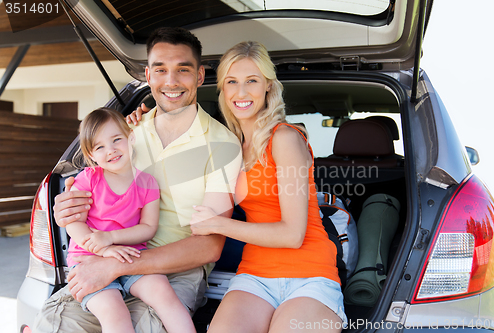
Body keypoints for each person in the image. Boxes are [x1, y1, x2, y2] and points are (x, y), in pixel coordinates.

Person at [33, 27, 242, 333]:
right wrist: (66, 210)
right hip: (103, 255)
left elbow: (209, 246)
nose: (170, 81)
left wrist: (116, 263)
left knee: (143, 326)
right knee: (52, 324)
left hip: (175, 270)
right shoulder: (125, 134)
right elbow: (87, 193)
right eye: (160, 70)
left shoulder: (223, 145)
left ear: (199, 76)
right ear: (147, 75)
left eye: (182, 70)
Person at [189, 41, 347, 332]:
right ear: (222, 90)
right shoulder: (229, 146)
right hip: (254, 275)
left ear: (268, 87)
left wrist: (218, 225)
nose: (241, 92)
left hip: (310, 275)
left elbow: (292, 234)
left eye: (252, 81)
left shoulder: (284, 138)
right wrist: (138, 126)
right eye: (232, 82)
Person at [66, 107, 195, 333]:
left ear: (131, 137)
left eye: (117, 140)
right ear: (91, 155)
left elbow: (148, 228)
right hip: (89, 260)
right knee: (114, 313)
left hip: (132, 257)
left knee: (164, 294)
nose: (111, 150)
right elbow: (73, 223)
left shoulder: (147, 183)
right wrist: (104, 250)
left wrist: (112, 237)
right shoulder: (88, 179)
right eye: (100, 147)